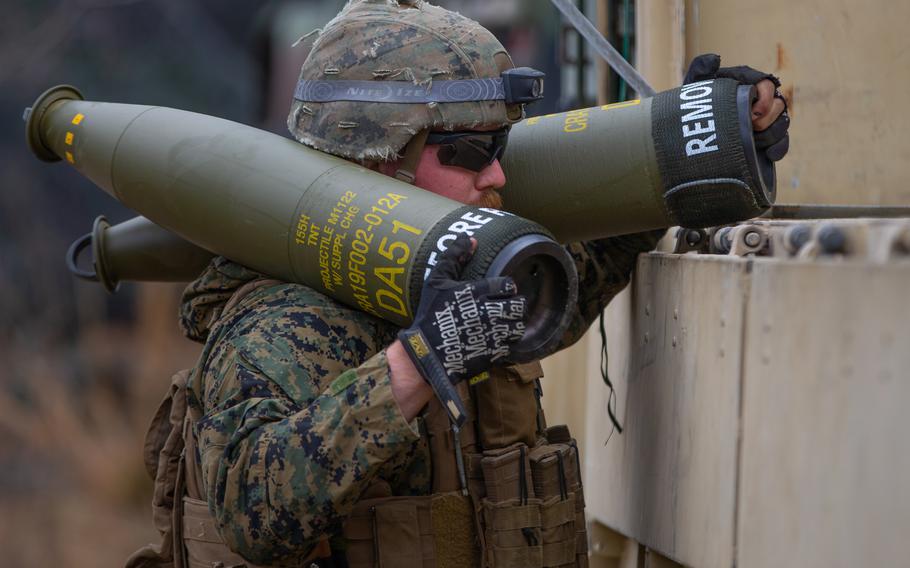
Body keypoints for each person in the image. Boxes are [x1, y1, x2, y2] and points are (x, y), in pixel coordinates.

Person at [128, 2, 789, 567]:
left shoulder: (456, 271)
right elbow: (251, 507)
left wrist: (695, 146)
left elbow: (569, 284)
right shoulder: (285, 319)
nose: (496, 177)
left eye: (501, 148)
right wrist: (418, 364)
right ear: (381, 154)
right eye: (469, 153)